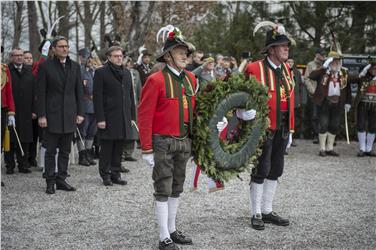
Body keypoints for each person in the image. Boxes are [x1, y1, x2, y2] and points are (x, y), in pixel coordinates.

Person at [138, 25, 197, 250]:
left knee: (177, 187)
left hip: (184, 140)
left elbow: (195, 110)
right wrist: (146, 149)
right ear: (168, 55)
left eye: (186, 52)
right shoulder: (155, 80)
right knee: (163, 188)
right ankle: (164, 237)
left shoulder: (191, 79)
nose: (186, 55)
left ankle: (172, 229)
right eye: (181, 51)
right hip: (162, 141)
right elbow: (144, 116)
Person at [244, 22, 295, 230]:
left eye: (287, 46)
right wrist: (244, 114)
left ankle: (267, 210)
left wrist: (291, 128)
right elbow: (242, 96)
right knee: (261, 169)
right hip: (262, 127)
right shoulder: (253, 68)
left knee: (276, 168)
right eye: (282, 46)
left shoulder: (287, 70)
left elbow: (290, 100)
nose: (286, 49)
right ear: (271, 49)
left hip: (282, 126)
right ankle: (255, 212)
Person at [37, 36, 84, 194]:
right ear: (54, 49)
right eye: (61, 46)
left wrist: (80, 113)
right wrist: (42, 115)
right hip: (52, 115)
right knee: (51, 151)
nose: (65, 49)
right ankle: (50, 180)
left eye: (66, 46)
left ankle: (61, 179)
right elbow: (41, 93)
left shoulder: (75, 66)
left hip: (70, 114)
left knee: (65, 150)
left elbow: (79, 91)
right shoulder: (46, 67)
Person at [93, 46, 135, 186]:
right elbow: (97, 98)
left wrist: (132, 117)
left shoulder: (127, 73)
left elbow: (130, 96)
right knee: (107, 148)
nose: (119, 58)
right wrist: (100, 119)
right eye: (116, 56)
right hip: (108, 116)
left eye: (120, 56)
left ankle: (116, 174)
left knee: (119, 147)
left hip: (123, 116)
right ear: (109, 57)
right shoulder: (101, 73)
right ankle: (105, 175)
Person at [309, 51, 351, 157]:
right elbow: (311, 76)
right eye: (333, 62)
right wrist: (324, 67)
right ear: (329, 62)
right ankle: (322, 149)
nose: (335, 64)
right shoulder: (323, 72)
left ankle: (330, 148)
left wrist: (348, 103)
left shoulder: (344, 73)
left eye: (337, 62)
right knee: (323, 125)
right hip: (325, 102)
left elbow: (348, 89)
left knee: (334, 125)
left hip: (338, 103)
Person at [4, 48, 36, 174]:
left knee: (25, 139)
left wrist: (34, 110)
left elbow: (35, 93)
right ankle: (9, 165)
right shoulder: (6, 71)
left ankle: (23, 164)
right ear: (11, 57)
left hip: (27, 111)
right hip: (11, 110)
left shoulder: (29, 72)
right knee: (10, 139)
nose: (19, 57)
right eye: (16, 55)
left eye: (21, 55)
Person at [77, 48, 97, 166]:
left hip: (95, 106)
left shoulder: (93, 71)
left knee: (92, 131)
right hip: (84, 105)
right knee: (83, 131)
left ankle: (89, 153)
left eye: (90, 57)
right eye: (86, 57)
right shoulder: (79, 71)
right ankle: (82, 155)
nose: (89, 60)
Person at [352, 62, 376, 156]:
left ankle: (369, 149)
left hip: (375, 106)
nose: (375, 71)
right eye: (373, 69)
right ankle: (362, 148)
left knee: (373, 127)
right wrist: (362, 73)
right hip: (363, 104)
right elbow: (351, 79)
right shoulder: (363, 78)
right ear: (369, 70)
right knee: (361, 125)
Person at [304, 48, 326, 143]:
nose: (323, 56)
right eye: (321, 54)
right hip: (314, 94)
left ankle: (324, 136)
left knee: (324, 115)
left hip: (324, 94)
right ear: (316, 55)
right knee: (315, 115)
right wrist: (312, 91)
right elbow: (306, 79)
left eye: (324, 55)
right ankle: (316, 135)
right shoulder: (310, 65)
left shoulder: (326, 65)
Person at [122, 56, 142, 162]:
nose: (129, 64)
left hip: (135, 103)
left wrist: (140, 101)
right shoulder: (121, 72)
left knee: (134, 128)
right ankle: (121, 153)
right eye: (127, 62)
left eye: (130, 62)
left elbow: (139, 87)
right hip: (124, 104)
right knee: (124, 127)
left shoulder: (135, 73)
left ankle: (129, 152)